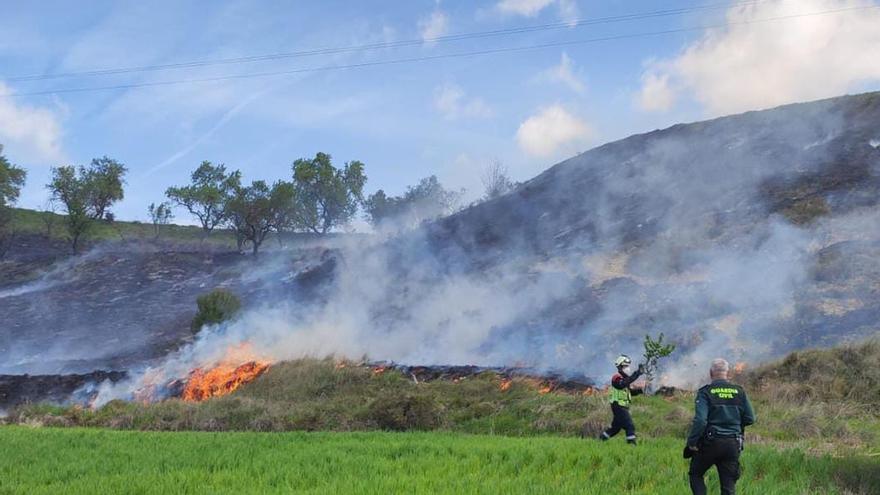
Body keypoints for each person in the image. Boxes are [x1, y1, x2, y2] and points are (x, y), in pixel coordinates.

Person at [685, 358, 756, 495]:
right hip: (732, 444)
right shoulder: (739, 391)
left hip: (710, 443)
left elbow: (700, 420)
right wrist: (734, 424)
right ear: (727, 373)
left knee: (695, 474)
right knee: (728, 487)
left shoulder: (705, 392)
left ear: (711, 373)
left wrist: (692, 443)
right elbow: (750, 418)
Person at [599, 354, 644, 445]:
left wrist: (640, 390)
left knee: (615, 428)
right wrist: (637, 373)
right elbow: (621, 385)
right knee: (629, 426)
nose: (628, 368)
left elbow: (628, 392)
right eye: (626, 366)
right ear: (620, 367)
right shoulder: (616, 377)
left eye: (628, 366)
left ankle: (600, 441)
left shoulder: (624, 379)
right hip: (618, 406)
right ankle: (632, 446)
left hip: (622, 406)